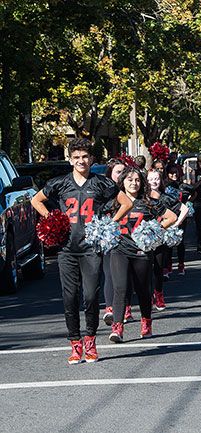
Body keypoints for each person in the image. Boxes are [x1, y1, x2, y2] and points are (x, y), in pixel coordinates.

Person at [30, 139, 132, 364]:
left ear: (92, 159)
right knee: (69, 297)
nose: (81, 161)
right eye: (76, 157)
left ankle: (90, 341)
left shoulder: (101, 183)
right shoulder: (60, 183)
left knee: (90, 296)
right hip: (67, 249)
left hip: (90, 248)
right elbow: (36, 200)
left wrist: (109, 224)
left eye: (85, 157)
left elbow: (126, 203)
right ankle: (75, 344)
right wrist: (52, 219)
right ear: (70, 160)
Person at [108, 167, 177, 343]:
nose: (134, 183)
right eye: (130, 179)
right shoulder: (113, 202)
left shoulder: (149, 202)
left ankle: (146, 321)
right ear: (122, 182)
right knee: (120, 288)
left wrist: (154, 231)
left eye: (137, 180)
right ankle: (117, 327)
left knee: (143, 290)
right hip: (119, 249)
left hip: (141, 251)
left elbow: (172, 217)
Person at [147, 169, 188, 310]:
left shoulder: (166, 197)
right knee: (142, 269)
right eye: (150, 179)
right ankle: (135, 301)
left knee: (158, 268)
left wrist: (175, 224)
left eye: (156, 179)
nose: (153, 182)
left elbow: (184, 209)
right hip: (142, 237)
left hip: (159, 237)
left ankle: (158, 294)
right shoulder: (141, 197)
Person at [101, 159, 128, 326]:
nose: (121, 175)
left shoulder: (132, 189)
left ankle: (126, 306)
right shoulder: (104, 190)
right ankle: (110, 308)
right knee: (109, 272)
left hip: (128, 237)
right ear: (110, 174)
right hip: (109, 237)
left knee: (127, 277)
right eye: (118, 172)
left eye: (123, 172)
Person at [164, 164, 191, 275]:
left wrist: (186, 201)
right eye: (172, 173)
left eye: (176, 173)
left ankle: (181, 264)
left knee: (180, 241)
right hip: (167, 215)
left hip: (180, 215)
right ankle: (168, 265)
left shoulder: (182, 185)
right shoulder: (164, 186)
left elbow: (192, 192)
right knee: (167, 242)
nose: (174, 175)